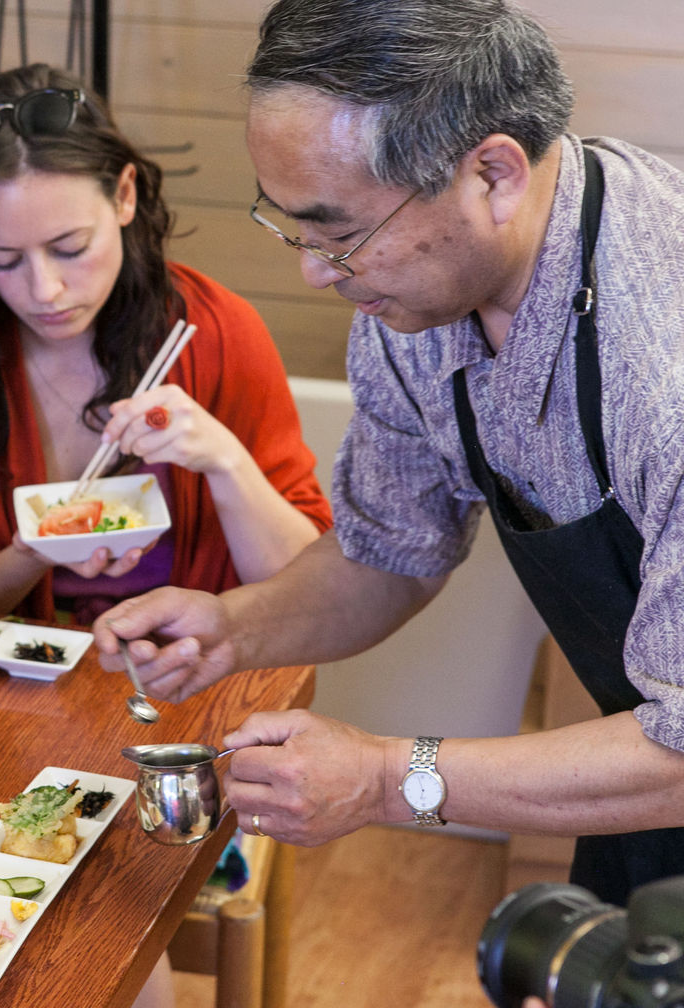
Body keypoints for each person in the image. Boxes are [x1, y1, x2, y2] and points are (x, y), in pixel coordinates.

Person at [95, 0, 684, 929]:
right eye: (293, 229)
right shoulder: (419, 300)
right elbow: (390, 551)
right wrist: (233, 629)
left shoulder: (664, 362)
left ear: (492, 171)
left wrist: (383, 779)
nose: (317, 274)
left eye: (341, 232)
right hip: (637, 778)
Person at [0, 64, 331, 626]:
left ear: (124, 196)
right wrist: (30, 553)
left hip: (198, 676)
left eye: (71, 248)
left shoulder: (216, 333)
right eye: (3, 260)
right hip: (9, 688)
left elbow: (307, 591)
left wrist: (224, 462)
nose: (44, 291)